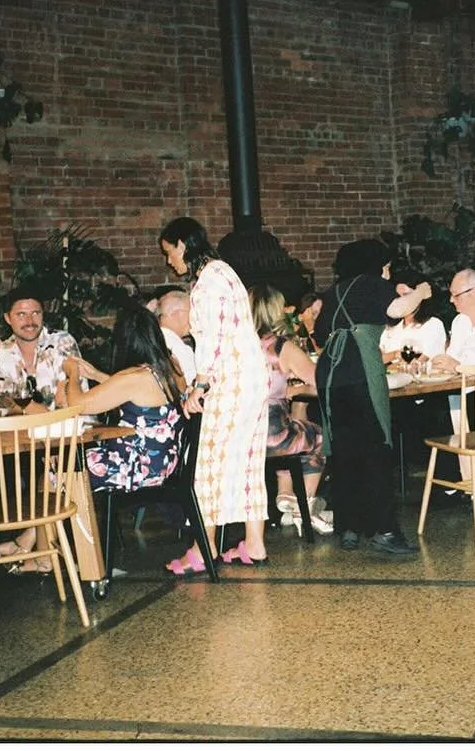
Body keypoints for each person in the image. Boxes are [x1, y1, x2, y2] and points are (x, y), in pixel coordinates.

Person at [52, 302, 195, 573]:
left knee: (62, 470)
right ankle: (43, 549)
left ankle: (88, 562)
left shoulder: (133, 376)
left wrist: (72, 374)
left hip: (136, 469)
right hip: (164, 465)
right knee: (64, 468)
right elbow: (137, 393)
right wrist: (96, 375)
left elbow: (78, 405)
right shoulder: (169, 368)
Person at [160, 217, 270, 566]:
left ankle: (201, 550)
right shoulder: (225, 272)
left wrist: (200, 385)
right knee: (249, 462)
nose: (169, 261)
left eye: (169, 252)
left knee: (209, 465)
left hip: (229, 382)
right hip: (251, 379)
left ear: (182, 245)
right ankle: (254, 545)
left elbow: (213, 340)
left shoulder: (208, 282)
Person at [315, 238, 430, 557]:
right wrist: (420, 292)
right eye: (386, 267)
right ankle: (385, 530)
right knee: (375, 450)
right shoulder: (371, 283)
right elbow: (396, 310)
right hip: (360, 372)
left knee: (344, 453)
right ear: (375, 265)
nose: (388, 273)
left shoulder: (334, 292)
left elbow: (320, 332)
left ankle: (349, 528)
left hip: (330, 376)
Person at [250, 285, 333, 537]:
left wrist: (286, 390)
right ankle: (303, 507)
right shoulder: (280, 347)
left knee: (295, 432)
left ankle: (285, 493)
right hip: (272, 435)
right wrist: (297, 390)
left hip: (242, 437)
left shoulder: (238, 346)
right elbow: (320, 382)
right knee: (319, 436)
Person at [0, 288, 80, 409]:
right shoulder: (1, 354)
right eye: (21, 314)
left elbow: (66, 399)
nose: (30, 321)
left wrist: (20, 406)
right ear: (8, 318)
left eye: (35, 313)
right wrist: (28, 408)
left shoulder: (62, 342)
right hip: (28, 421)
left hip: (72, 420)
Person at [379, 267, 448, 363]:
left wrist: (393, 357)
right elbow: (377, 358)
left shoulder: (433, 324)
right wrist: (395, 354)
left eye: (406, 295)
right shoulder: (390, 328)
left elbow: (421, 360)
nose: (402, 301)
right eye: (398, 297)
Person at [150, 285, 198, 383]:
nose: (195, 317)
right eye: (191, 312)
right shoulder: (179, 349)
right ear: (178, 313)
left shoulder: (150, 339)